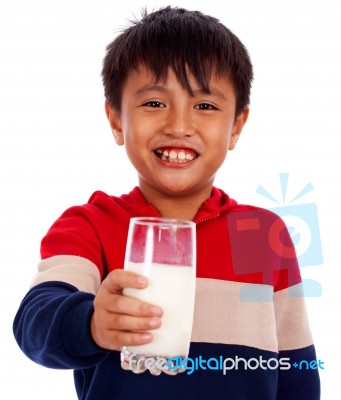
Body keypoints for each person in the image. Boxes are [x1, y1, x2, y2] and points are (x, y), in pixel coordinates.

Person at [13, 6, 320, 399]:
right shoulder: (89, 226)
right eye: (154, 103)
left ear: (236, 127)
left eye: (205, 106)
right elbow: (35, 322)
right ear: (116, 120)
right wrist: (90, 323)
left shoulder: (262, 234)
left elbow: (297, 372)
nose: (179, 125)